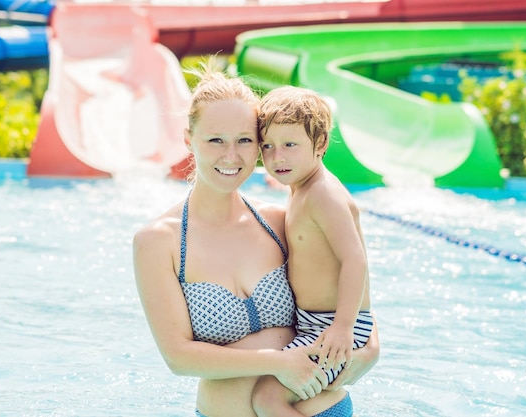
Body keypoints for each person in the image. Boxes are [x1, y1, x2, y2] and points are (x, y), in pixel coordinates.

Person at [132, 58, 380, 417]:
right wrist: (280, 363)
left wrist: (371, 349)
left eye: (245, 140)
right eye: (215, 139)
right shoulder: (159, 242)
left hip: (318, 409)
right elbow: (178, 358)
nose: (231, 155)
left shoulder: (281, 221)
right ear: (189, 139)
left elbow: (354, 284)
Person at [252, 85, 375, 417]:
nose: (277, 157)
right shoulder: (300, 189)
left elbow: (355, 258)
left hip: (332, 325)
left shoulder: (323, 194)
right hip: (315, 323)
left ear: (320, 145)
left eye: (291, 145)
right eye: (268, 146)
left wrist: (343, 327)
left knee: (267, 398)